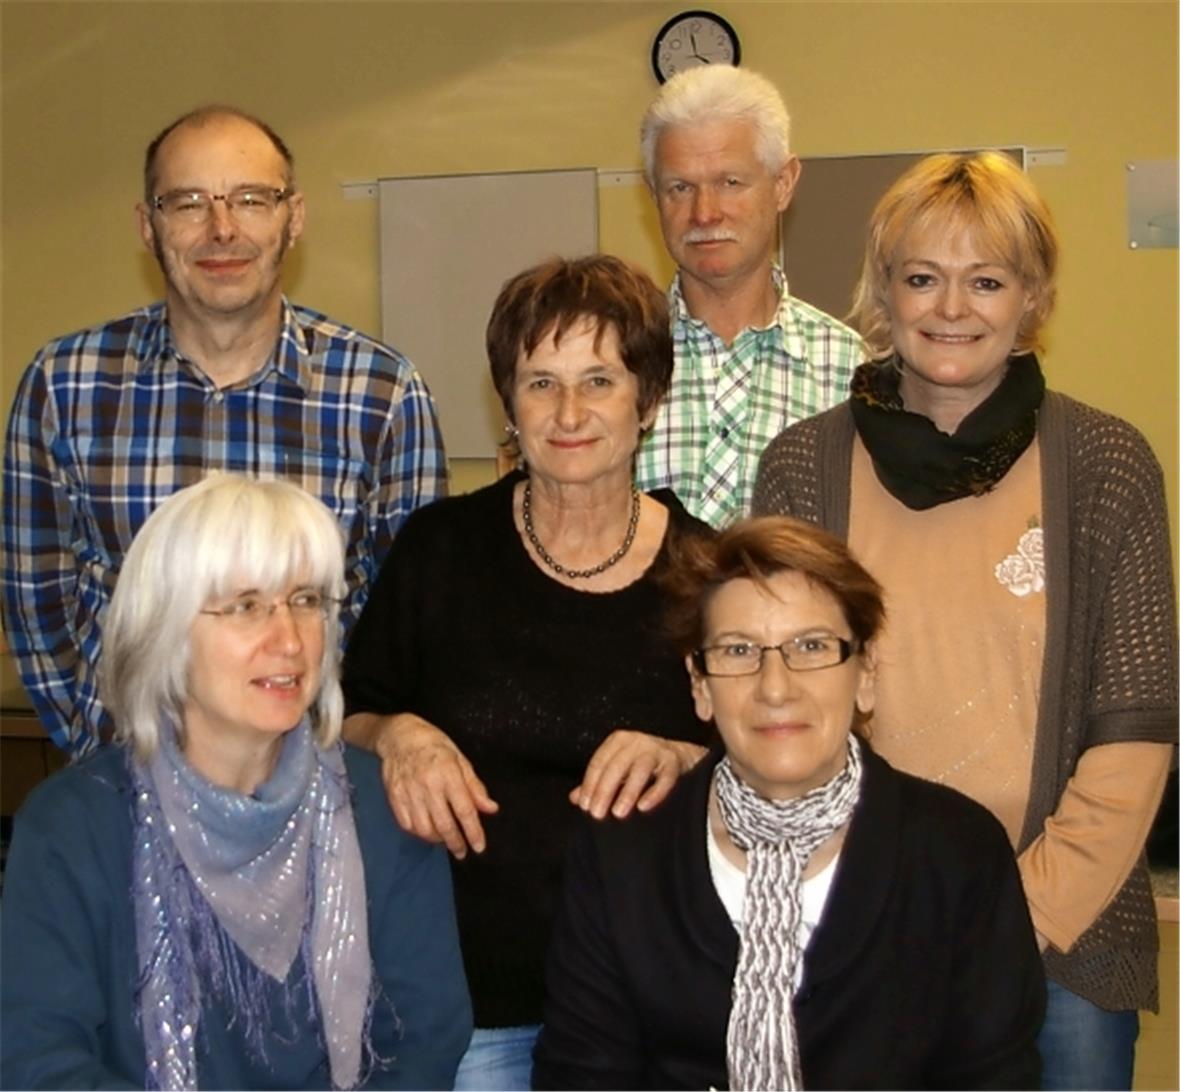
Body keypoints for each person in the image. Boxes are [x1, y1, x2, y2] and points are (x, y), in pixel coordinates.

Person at [752, 151, 1178, 1090]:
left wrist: (1004, 915)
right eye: (922, 278)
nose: (952, 308)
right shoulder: (800, 470)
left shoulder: (1106, 464)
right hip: (856, 930)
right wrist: (865, 907)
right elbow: (773, 706)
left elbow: (1138, 722)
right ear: (883, 292)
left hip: (1063, 939)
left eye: (986, 280)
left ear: (1032, 299)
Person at [342, 255, 712, 1090]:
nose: (570, 412)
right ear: (508, 400)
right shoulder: (439, 552)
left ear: (648, 398)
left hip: (651, 1004)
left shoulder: (711, 572)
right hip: (472, 1003)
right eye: (540, 382)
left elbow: (768, 762)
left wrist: (688, 757)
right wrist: (397, 734)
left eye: (599, 380)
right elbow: (346, 710)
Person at [533, 516, 1045, 1090]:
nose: (775, 687)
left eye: (811, 646)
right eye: (738, 650)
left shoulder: (958, 853)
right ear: (700, 685)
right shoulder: (620, 855)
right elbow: (581, 1076)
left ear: (866, 672)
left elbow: (993, 1078)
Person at [1, 104, 446, 758]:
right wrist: (114, 755)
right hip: (125, 785)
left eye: (251, 200)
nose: (222, 229)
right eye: (187, 203)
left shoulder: (382, 394)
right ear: (147, 227)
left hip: (320, 786)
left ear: (293, 218)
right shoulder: (64, 387)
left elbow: (409, 621)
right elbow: (38, 604)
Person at [0, 474, 472, 1090]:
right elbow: (38, 1060)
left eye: (306, 600)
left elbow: (424, 1042)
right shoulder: (71, 826)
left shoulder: (384, 809)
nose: (289, 639)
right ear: (164, 631)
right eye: (247, 606)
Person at [633, 65, 862, 528]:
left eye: (730, 183)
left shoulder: (850, 370)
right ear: (653, 195)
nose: (704, 212)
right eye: (680, 188)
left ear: (783, 184)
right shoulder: (618, 357)